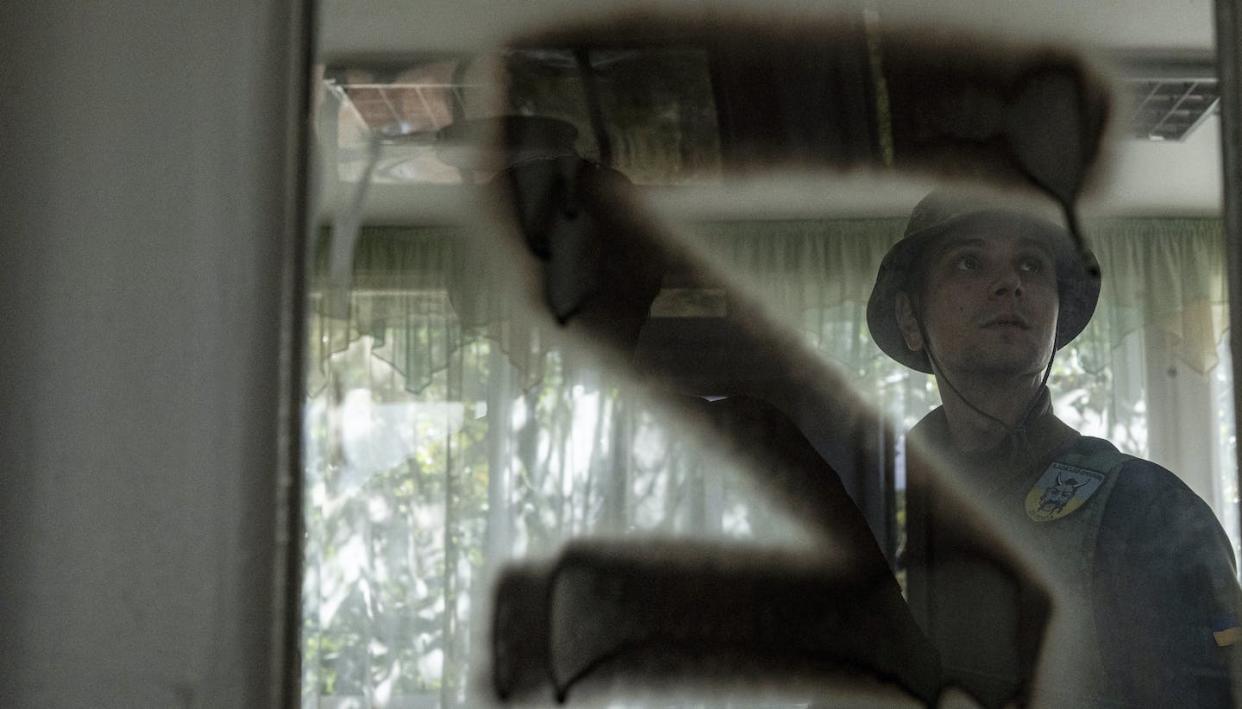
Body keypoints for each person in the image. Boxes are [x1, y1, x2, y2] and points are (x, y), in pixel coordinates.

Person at [866, 191, 1242, 706]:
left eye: (1031, 265)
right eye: (969, 262)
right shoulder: (875, 518)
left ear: (1056, 318)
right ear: (911, 320)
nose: (1009, 284)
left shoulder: (1147, 512)